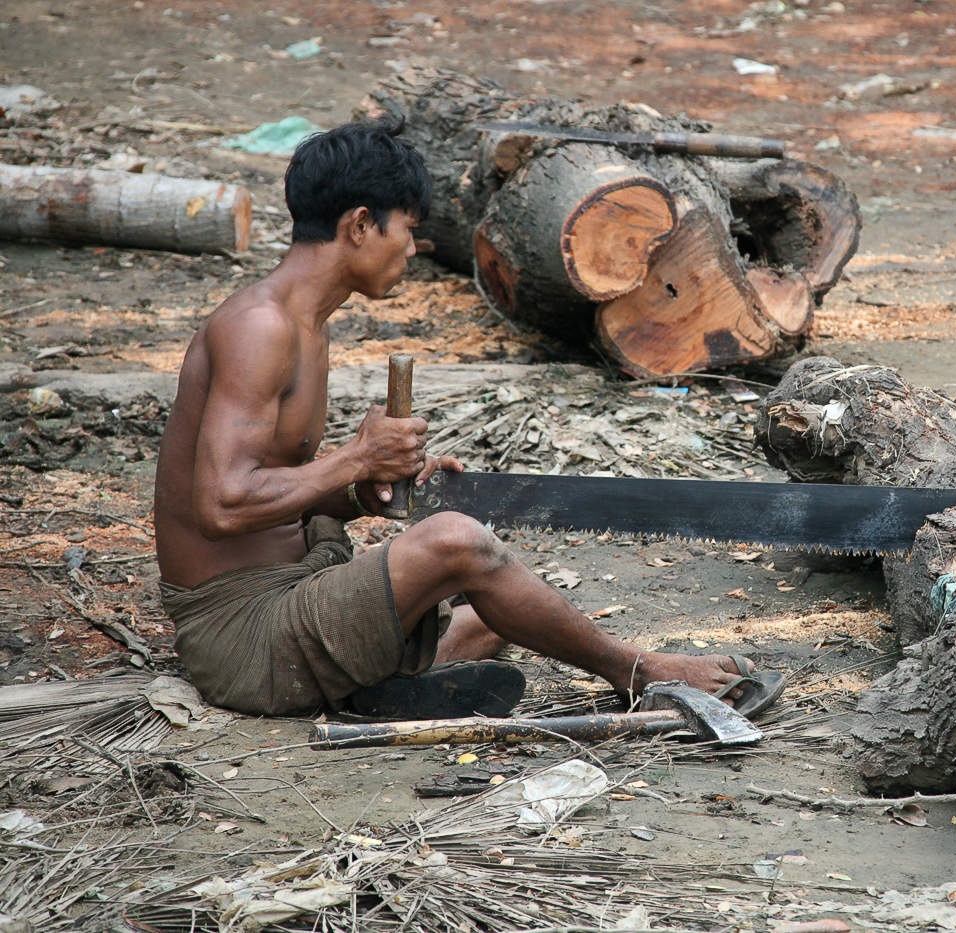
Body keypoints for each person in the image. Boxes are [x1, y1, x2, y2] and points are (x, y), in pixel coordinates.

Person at [152, 120, 772, 719]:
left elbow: (275, 494)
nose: (415, 249)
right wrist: (357, 458)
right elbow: (224, 505)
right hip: (244, 637)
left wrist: (360, 491)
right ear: (361, 224)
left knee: (505, 611)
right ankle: (638, 671)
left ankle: (372, 691)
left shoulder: (303, 326)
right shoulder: (260, 328)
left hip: (294, 588)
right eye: (409, 230)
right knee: (459, 544)